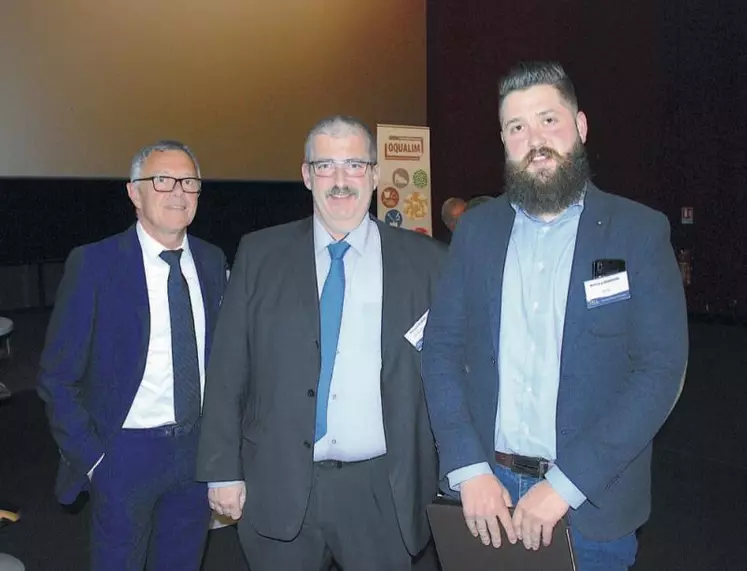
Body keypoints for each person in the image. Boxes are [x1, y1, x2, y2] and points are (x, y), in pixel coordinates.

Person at [421, 61, 688, 571]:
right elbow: (441, 349)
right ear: (503, 141)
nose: (534, 139)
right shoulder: (475, 232)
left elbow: (660, 372)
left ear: (580, 127)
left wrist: (565, 486)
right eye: (517, 127)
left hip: (592, 504)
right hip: (486, 499)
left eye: (549, 120)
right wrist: (466, 466)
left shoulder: (638, 232)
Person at [197, 115, 446, 571]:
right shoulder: (259, 254)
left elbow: (449, 376)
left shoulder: (427, 262)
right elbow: (228, 368)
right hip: (277, 481)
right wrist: (221, 468)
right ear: (307, 175)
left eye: (353, 164)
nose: (340, 180)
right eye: (325, 166)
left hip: (382, 490)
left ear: (374, 174)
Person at [37, 141, 227, 571]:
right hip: (123, 454)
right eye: (162, 180)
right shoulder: (95, 264)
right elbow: (57, 376)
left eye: (189, 182)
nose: (178, 192)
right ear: (133, 192)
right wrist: (94, 460)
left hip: (196, 452)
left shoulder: (212, 261)